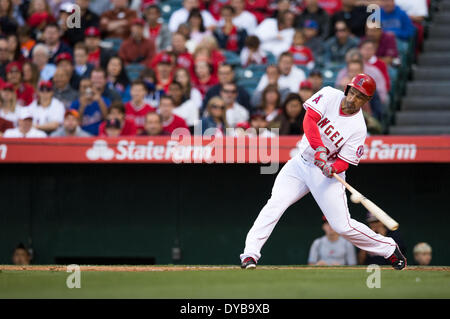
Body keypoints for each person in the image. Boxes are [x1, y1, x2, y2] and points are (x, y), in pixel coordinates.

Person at [240, 74, 407, 270]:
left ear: (367, 101)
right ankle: (250, 254)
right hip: (300, 164)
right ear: (347, 89)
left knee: (342, 226)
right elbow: (309, 120)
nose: (353, 99)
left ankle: (388, 248)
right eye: (352, 92)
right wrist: (320, 148)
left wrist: (332, 168)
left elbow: (344, 162)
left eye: (360, 96)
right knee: (275, 205)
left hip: (325, 175)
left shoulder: (358, 128)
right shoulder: (329, 95)